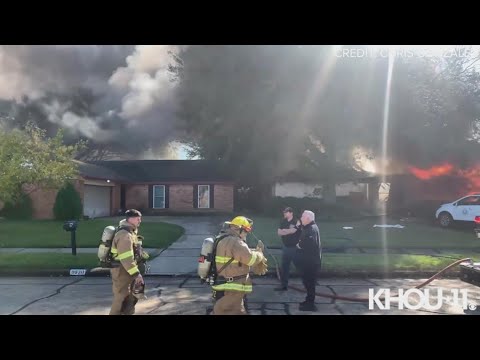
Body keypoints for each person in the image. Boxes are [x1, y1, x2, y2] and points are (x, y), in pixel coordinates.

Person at [211, 216, 268, 315]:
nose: (246, 234)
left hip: (223, 283)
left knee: (230, 310)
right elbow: (251, 259)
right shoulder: (236, 242)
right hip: (233, 287)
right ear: (239, 229)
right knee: (232, 311)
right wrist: (260, 254)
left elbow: (236, 256)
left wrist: (253, 251)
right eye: (246, 231)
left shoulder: (222, 239)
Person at [109, 209, 145, 315]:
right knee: (121, 300)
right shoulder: (124, 235)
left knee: (130, 299)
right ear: (131, 219)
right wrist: (136, 274)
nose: (140, 221)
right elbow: (126, 258)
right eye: (138, 219)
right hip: (122, 272)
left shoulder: (130, 232)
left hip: (126, 271)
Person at [295, 210, 322, 312]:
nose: (301, 218)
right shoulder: (308, 227)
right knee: (307, 283)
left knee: (310, 284)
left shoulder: (311, 229)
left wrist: (299, 245)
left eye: (302, 217)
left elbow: (310, 244)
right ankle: (308, 301)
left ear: (308, 218)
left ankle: (311, 305)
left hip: (311, 263)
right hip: (308, 262)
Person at [275, 207, 301, 291]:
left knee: (300, 266)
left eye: (286, 212)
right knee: (285, 267)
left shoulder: (297, 221)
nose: (284, 214)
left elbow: (293, 231)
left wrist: (285, 231)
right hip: (286, 247)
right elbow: (279, 233)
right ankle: (284, 286)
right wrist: (288, 230)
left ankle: (309, 282)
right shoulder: (283, 221)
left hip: (295, 248)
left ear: (291, 213)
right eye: (284, 212)